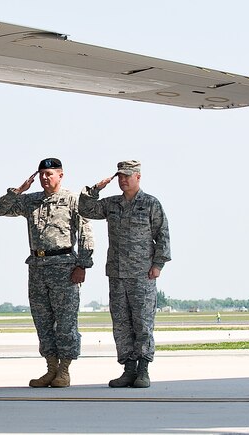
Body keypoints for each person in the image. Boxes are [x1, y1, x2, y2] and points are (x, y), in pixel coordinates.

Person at [0, 157, 93, 388]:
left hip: (64, 266)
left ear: (61, 175)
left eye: (49, 174)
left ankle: (64, 370)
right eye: (41, 174)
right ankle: (50, 368)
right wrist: (18, 191)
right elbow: (0, 209)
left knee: (66, 321)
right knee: (42, 321)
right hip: (37, 267)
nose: (44, 178)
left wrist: (82, 264)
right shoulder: (31, 201)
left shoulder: (72, 200)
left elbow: (86, 233)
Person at [78, 160, 171, 389]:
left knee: (142, 322)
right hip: (117, 274)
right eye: (119, 176)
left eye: (127, 176)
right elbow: (85, 209)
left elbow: (163, 235)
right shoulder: (112, 204)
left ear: (138, 177)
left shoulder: (150, 204)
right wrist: (95, 190)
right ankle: (128, 369)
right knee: (121, 324)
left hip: (143, 274)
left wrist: (158, 264)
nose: (122, 180)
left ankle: (143, 370)